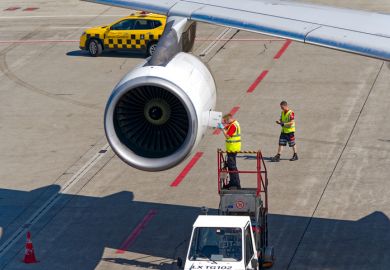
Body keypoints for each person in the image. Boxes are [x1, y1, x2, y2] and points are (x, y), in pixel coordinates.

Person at [218, 114, 241, 189]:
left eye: (226, 121)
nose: (225, 123)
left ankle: (235, 184)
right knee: (231, 166)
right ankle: (232, 183)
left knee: (232, 166)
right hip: (232, 148)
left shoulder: (233, 126)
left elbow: (227, 136)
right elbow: (225, 127)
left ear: (228, 119)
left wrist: (222, 129)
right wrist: (221, 125)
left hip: (232, 148)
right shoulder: (234, 123)